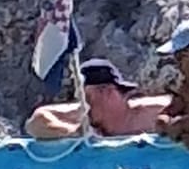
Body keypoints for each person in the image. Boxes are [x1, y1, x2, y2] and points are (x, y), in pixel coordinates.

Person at [26, 58, 170, 141]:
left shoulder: (147, 112)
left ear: (107, 92)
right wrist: (74, 132)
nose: (84, 102)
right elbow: (34, 123)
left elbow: (179, 107)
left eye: (87, 96)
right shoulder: (83, 113)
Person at [157, 22, 189, 147]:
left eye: (180, 57)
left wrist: (182, 124)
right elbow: (174, 109)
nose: (177, 64)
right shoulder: (186, 86)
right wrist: (164, 120)